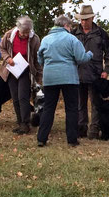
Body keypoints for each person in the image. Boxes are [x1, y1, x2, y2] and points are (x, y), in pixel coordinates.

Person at [36, 15, 93, 147]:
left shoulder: (45, 39)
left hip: (50, 78)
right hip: (69, 78)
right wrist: (90, 54)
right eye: (70, 26)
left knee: (48, 108)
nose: (71, 29)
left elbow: (40, 58)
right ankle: (72, 139)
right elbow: (81, 58)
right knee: (72, 108)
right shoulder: (71, 39)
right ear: (66, 26)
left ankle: (41, 138)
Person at [72, 4, 109, 139]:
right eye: (82, 19)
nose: (84, 22)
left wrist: (106, 70)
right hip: (77, 73)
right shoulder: (73, 34)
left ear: (92, 18)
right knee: (80, 103)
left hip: (95, 75)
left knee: (96, 103)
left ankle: (94, 130)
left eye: (86, 19)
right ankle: (81, 128)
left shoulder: (101, 34)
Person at [0, 16, 42, 135]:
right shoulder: (9, 35)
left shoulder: (35, 39)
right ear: (18, 28)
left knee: (23, 97)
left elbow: (37, 58)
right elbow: (1, 48)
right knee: (15, 97)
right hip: (12, 70)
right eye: (23, 33)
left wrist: (39, 76)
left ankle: (25, 123)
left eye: (27, 32)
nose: (25, 35)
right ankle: (20, 122)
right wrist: (8, 58)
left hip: (26, 71)